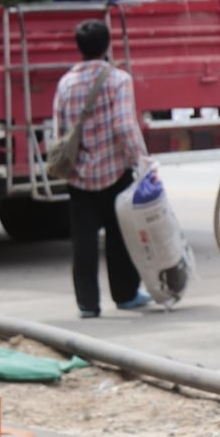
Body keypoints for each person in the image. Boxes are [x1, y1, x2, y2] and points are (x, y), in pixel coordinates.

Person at [52, 19, 154, 319]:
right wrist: (141, 160)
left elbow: (59, 130)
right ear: (107, 44)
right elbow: (125, 126)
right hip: (115, 172)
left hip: (79, 175)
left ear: (79, 47)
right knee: (118, 236)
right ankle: (125, 295)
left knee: (82, 242)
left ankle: (87, 304)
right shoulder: (118, 80)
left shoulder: (66, 83)